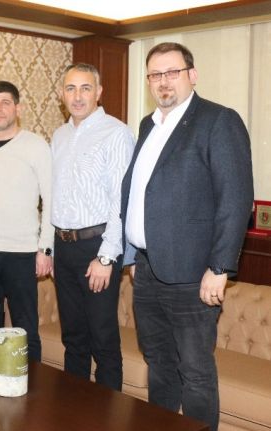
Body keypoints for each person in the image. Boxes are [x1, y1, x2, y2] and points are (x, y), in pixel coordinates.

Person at [121, 42, 253, 430]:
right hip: (146, 269)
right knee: (159, 363)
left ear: (192, 75)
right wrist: (132, 255)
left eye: (172, 72)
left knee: (195, 372)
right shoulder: (147, 125)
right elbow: (140, 194)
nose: (163, 81)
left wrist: (220, 267)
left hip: (195, 274)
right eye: (155, 74)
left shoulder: (218, 120)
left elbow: (235, 198)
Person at [51, 63, 134, 390]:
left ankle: (108, 413)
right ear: (62, 94)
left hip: (97, 248)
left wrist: (106, 257)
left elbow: (121, 201)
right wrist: (51, 250)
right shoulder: (59, 136)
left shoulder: (116, 132)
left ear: (99, 92)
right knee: (73, 338)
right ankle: (76, 409)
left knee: (103, 339)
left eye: (85, 88)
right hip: (64, 247)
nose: (77, 96)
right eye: (70, 88)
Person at [0, 81, 53, 361]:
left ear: (18, 108)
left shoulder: (36, 146)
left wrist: (45, 249)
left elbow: (51, 200)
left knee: (25, 329)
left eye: (5, 103)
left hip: (22, 253)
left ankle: (32, 385)